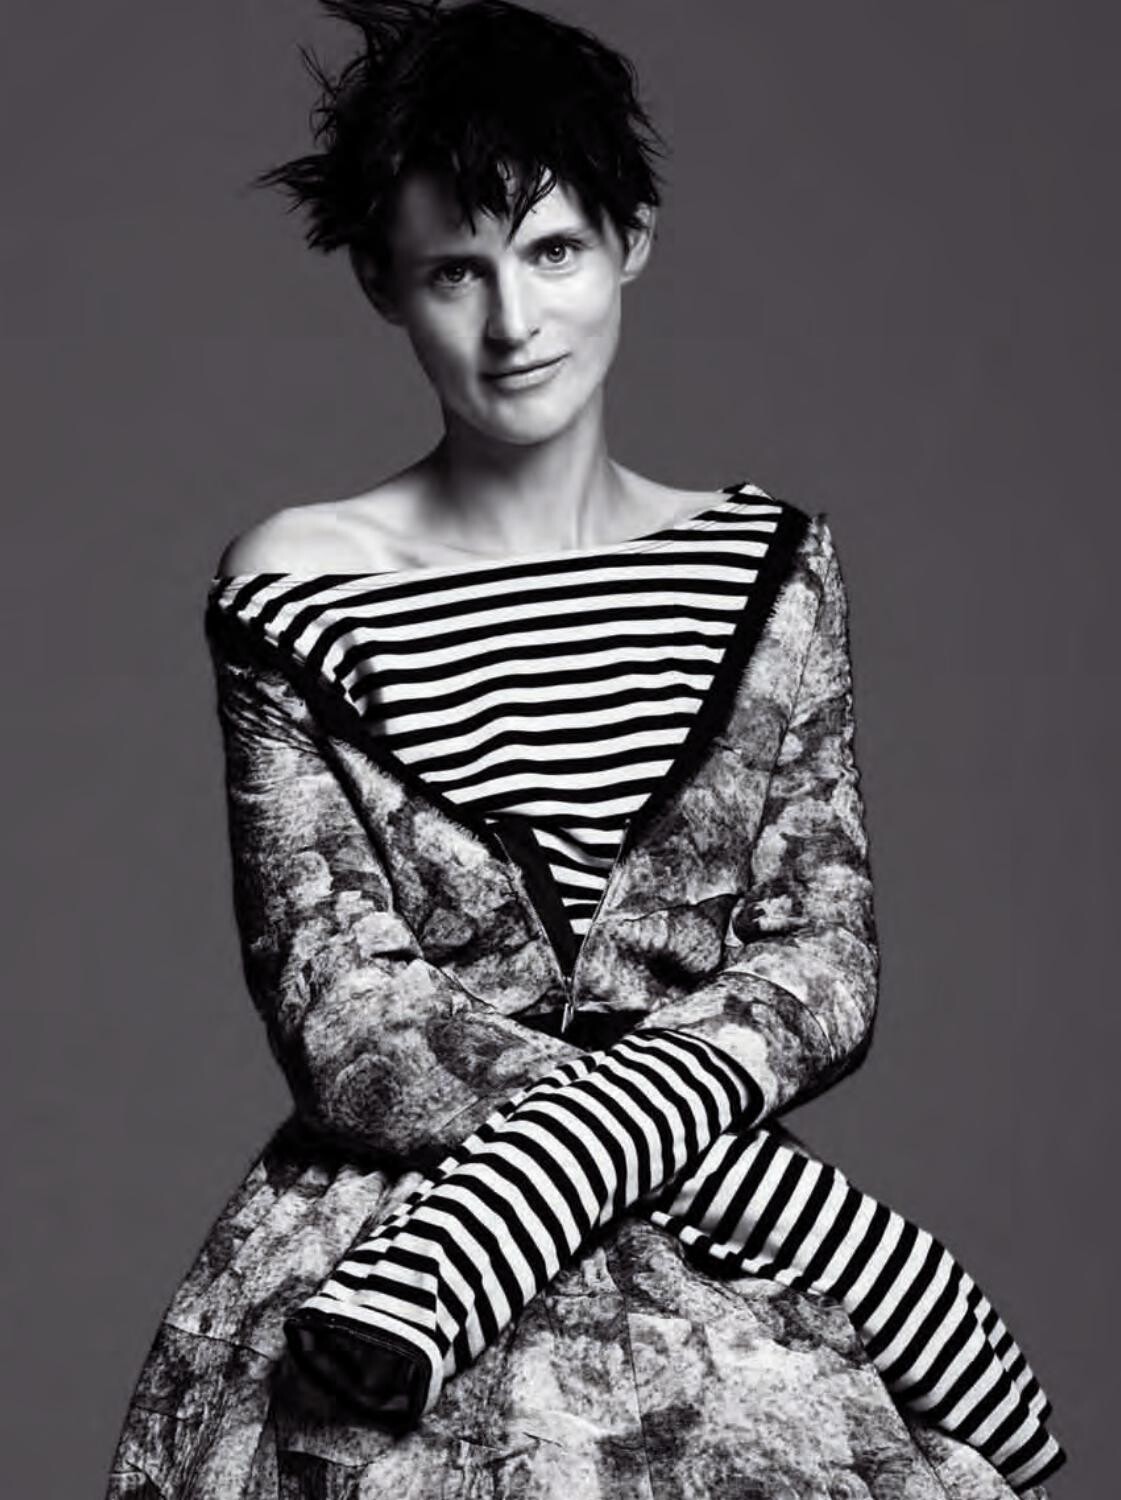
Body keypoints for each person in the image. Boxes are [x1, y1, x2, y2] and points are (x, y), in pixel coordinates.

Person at [103, 3, 1065, 1495]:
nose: (513, 322)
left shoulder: (767, 567)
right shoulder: (297, 583)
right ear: (381, 283)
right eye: (456, 271)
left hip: (721, 1278)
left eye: (552, 252)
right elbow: (343, 1012)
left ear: (632, 243)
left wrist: (617, 1143)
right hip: (388, 1263)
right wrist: (800, 1214)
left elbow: (822, 960)